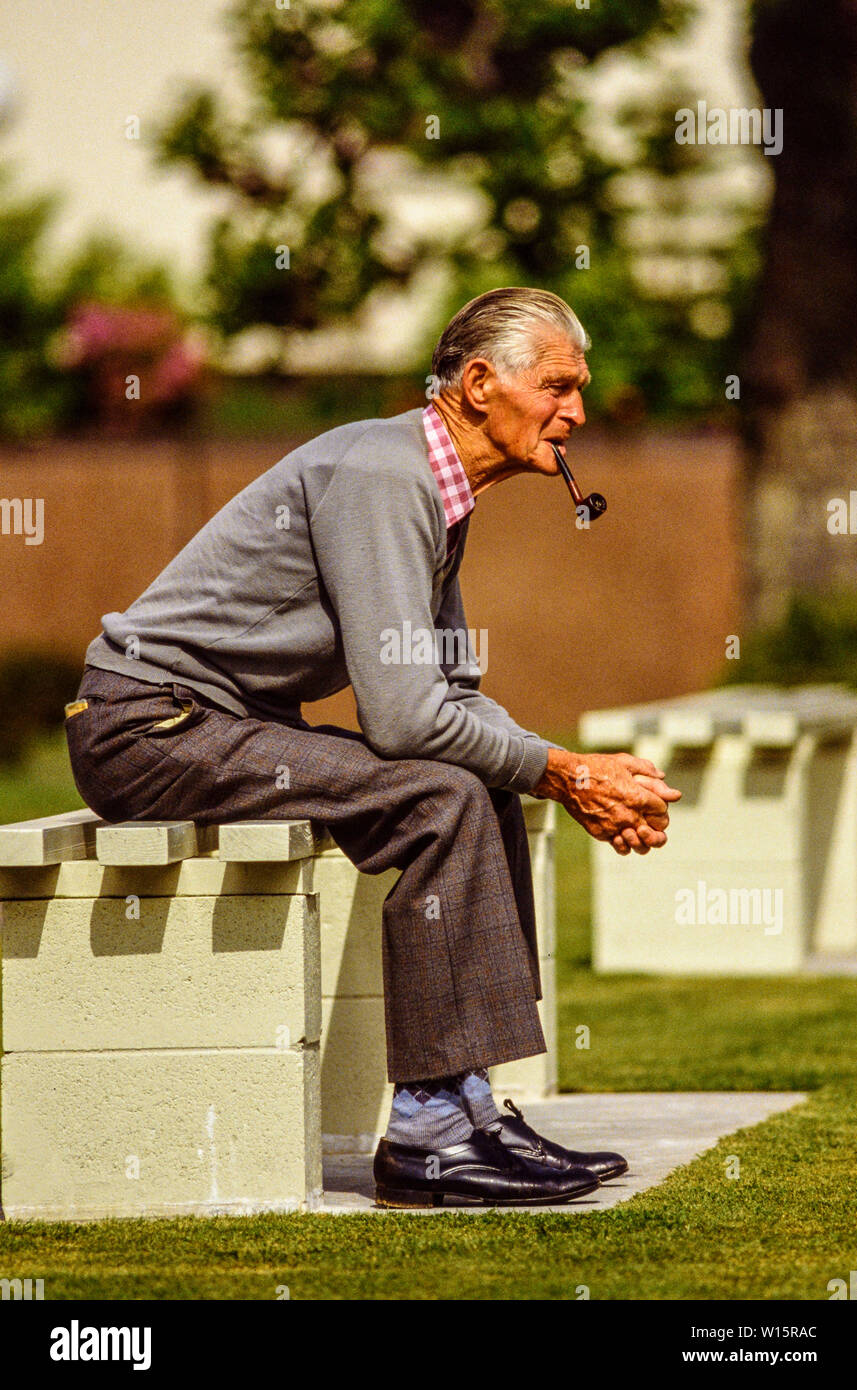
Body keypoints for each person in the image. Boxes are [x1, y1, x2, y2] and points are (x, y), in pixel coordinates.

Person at [65, 286, 681, 1209]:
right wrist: (569, 772)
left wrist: (566, 773)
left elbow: (452, 694)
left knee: (476, 783)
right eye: (557, 385)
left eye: (577, 389)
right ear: (479, 384)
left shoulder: (433, 487)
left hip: (220, 723)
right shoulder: (384, 475)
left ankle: (467, 1103)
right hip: (147, 728)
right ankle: (431, 1131)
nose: (577, 412)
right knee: (440, 795)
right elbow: (402, 722)